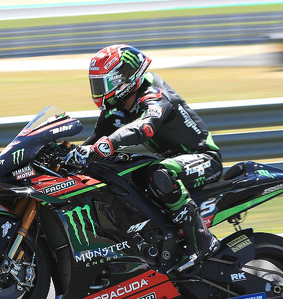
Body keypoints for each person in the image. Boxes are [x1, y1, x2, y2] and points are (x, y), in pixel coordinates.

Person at [67, 44, 222, 274]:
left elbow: (145, 127)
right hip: (173, 161)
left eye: (103, 83)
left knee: (160, 173)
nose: (98, 91)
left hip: (204, 159)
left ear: (124, 78)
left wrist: (109, 144)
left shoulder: (155, 94)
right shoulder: (117, 105)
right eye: (95, 83)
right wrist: (71, 157)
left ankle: (202, 240)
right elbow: (96, 139)